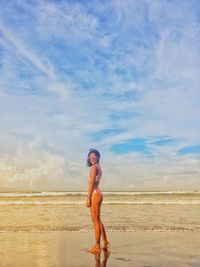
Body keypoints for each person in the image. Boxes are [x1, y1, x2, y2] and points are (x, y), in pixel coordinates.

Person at [86, 148, 110, 253]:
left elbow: (91, 183)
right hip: (98, 193)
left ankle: (97, 245)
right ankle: (105, 242)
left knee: (95, 221)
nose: (91, 158)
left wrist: (88, 197)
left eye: (94, 157)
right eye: (90, 157)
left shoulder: (93, 168)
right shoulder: (99, 167)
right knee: (98, 220)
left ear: (98, 157)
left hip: (95, 194)